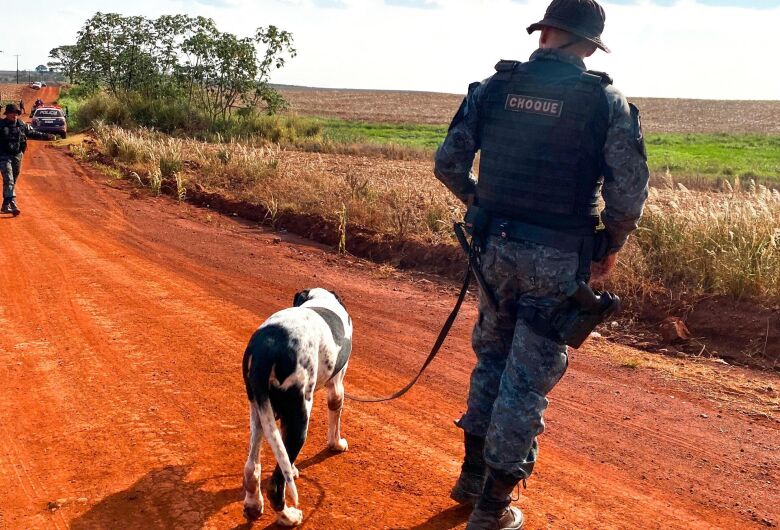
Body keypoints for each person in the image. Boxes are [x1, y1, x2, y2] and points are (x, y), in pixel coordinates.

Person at [434, 0, 650, 528]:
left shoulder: (494, 88)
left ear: (546, 32)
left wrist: (478, 203)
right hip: (557, 260)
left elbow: (447, 162)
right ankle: (492, 508)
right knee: (525, 381)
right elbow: (628, 193)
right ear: (588, 44)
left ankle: (469, 479)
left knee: (491, 359)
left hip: (493, 253)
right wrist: (611, 245)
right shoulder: (606, 102)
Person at [1, 103, 55, 216]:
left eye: (16, 113)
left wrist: (48, 136)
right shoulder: (0, 125)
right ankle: (13, 203)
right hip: (3, 156)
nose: (14, 115)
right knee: (9, 178)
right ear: (7, 114)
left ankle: (5, 204)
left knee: (13, 180)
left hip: (17, 155)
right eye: (11, 113)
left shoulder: (22, 125)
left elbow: (33, 133)